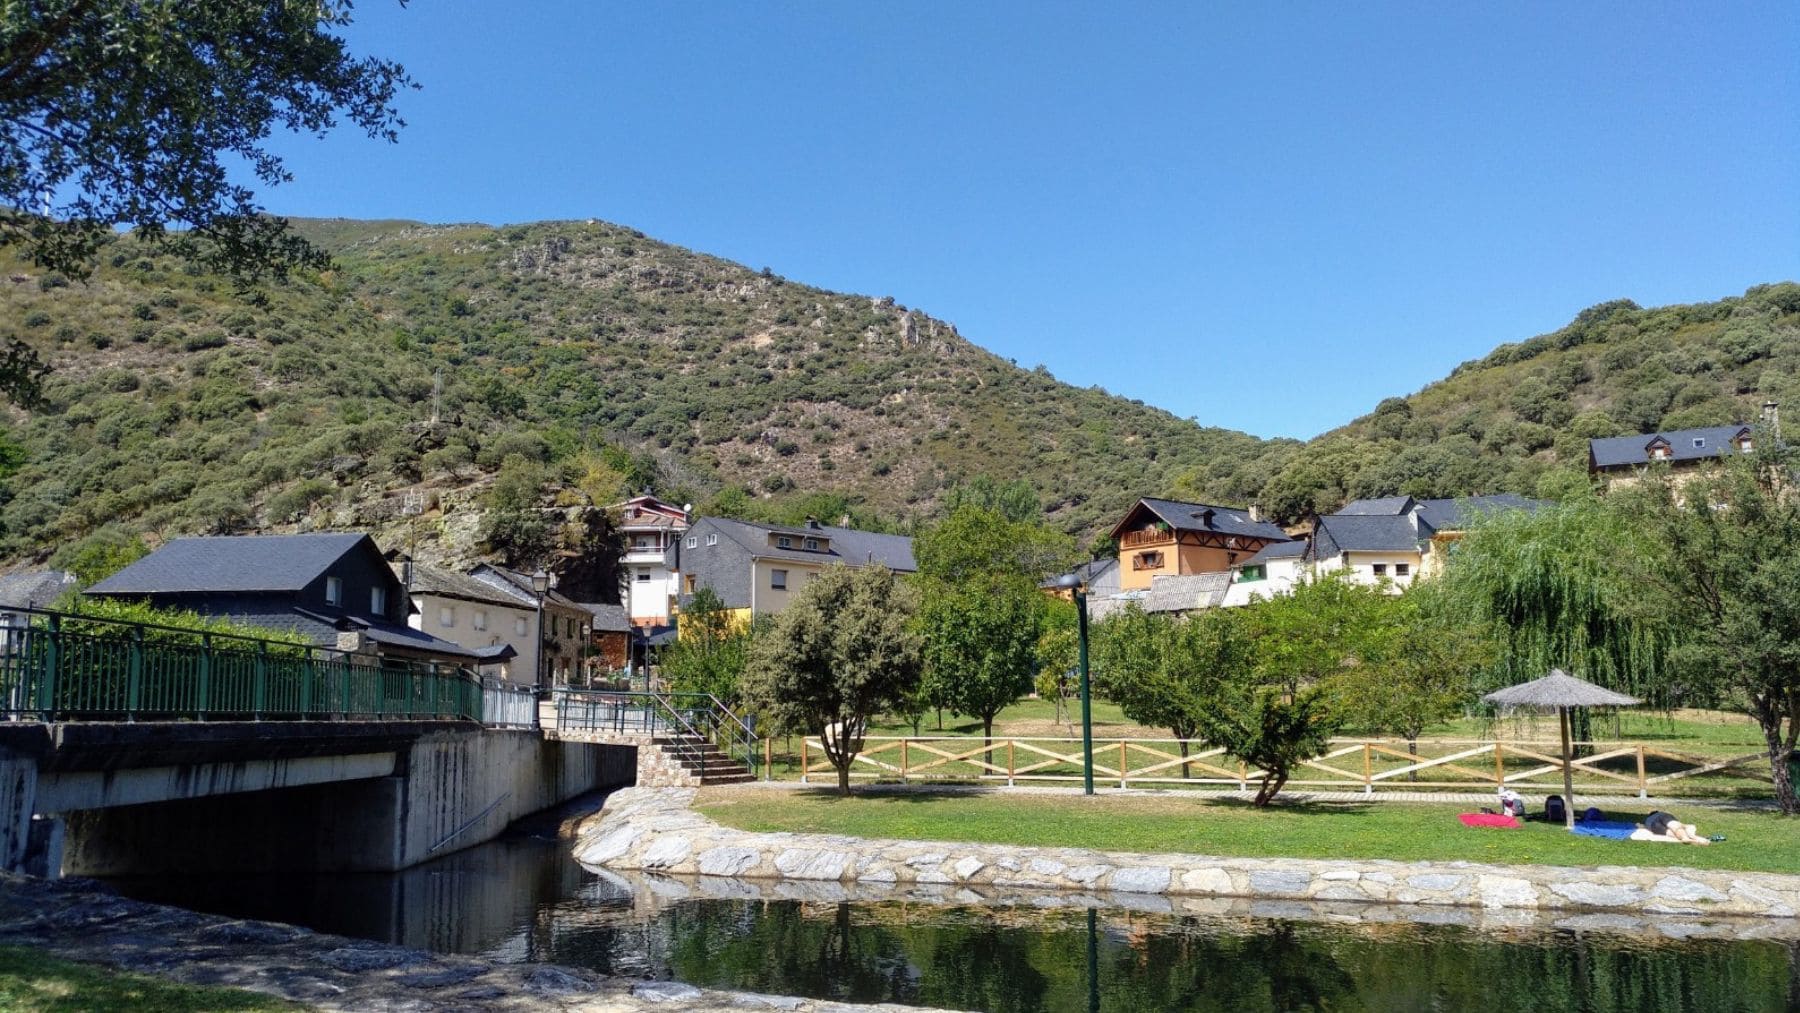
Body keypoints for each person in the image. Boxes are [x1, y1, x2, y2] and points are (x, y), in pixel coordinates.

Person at [1642, 810, 1711, 845]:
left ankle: (1687, 838)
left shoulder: (1647, 821)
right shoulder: (1661, 813)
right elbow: (1676, 824)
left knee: (1670, 833)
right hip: (1661, 817)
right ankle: (1693, 837)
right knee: (1674, 826)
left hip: (1652, 826)